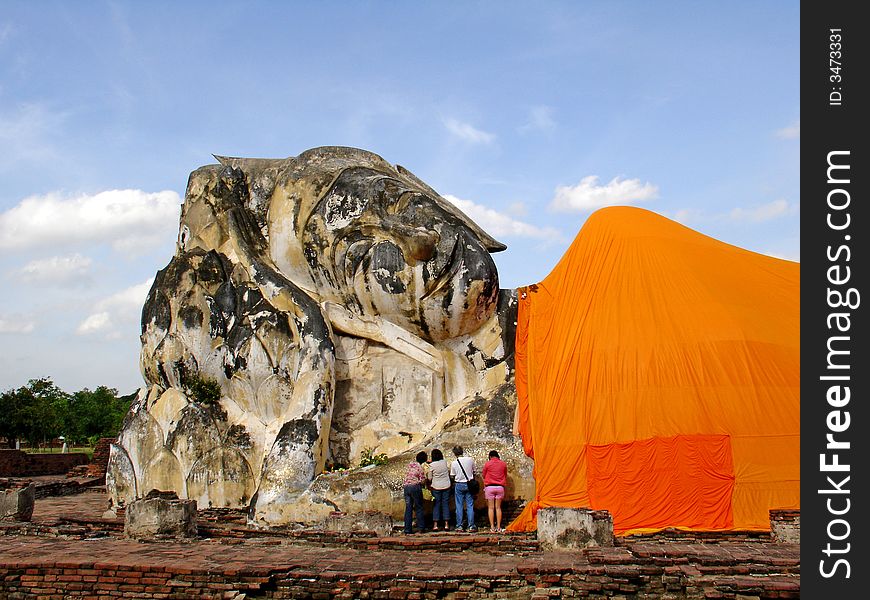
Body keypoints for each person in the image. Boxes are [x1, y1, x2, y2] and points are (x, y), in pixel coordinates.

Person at [449, 445, 477, 532]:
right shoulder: (470, 460)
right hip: (469, 484)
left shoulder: (454, 463)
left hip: (459, 484)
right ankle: (471, 526)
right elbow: (474, 472)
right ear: (462, 451)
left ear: (454, 453)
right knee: (470, 505)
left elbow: (452, 476)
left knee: (459, 506)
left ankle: (459, 525)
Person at [482, 450, 508, 532]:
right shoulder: (503, 464)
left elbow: (483, 475)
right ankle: (499, 527)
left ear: (490, 456)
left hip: (489, 487)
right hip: (500, 487)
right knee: (498, 508)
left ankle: (492, 527)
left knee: (491, 508)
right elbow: (505, 474)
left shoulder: (487, 464)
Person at [403, 451, 428, 534]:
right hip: (415, 487)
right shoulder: (420, 468)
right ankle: (421, 528)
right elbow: (422, 480)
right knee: (419, 507)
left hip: (406, 486)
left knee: (408, 508)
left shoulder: (410, 465)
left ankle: (407, 529)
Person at [428, 448, 452, 531]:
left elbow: (429, 478)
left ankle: (435, 525)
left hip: (436, 486)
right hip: (446, 485)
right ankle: (446, 524)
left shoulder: (432, 465)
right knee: (445, 504)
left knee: (436, 505)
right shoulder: (444, 462)